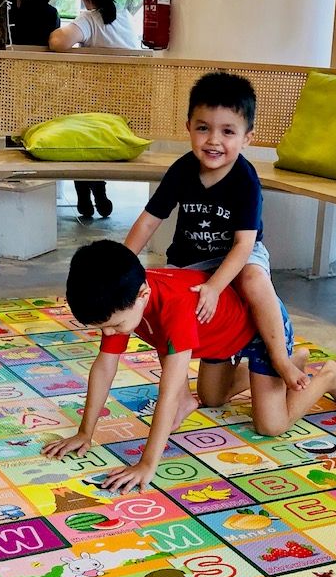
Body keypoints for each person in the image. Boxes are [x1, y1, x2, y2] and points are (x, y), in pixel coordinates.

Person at [41, 240, 336, 493]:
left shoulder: (175, 307)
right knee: (212, 397)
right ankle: (293, 362)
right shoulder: (122, 299)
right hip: (219, 339)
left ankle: (327, 376)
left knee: (270, 425)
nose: (110, 334)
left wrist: (147, 464)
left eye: (115, 326)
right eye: (104, 329)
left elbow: (169, 394)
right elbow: (104, 367)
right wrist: (85, 432)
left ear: (143, 294)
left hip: (262, 330)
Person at [123, 72, 309, 393]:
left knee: (253, 279)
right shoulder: (182, 170)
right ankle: (180, 392)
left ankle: (281, 357)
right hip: (189, 260)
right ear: (188, 127)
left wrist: (214, 286)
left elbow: (244, 244)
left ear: (247, 138)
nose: (213, 140)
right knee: (210, 394)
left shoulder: (245, 179)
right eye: (203, 128)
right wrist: (122, 266)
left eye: (227, 131)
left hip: (239, 253)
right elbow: (149, 221)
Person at [50, 0, 140, 219]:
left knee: (73, 121)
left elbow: (58, 42)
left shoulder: (89, 19)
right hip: (123, 111)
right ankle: (98, 190)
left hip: (95, 111)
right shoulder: (125, 17)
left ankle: (84, 192)